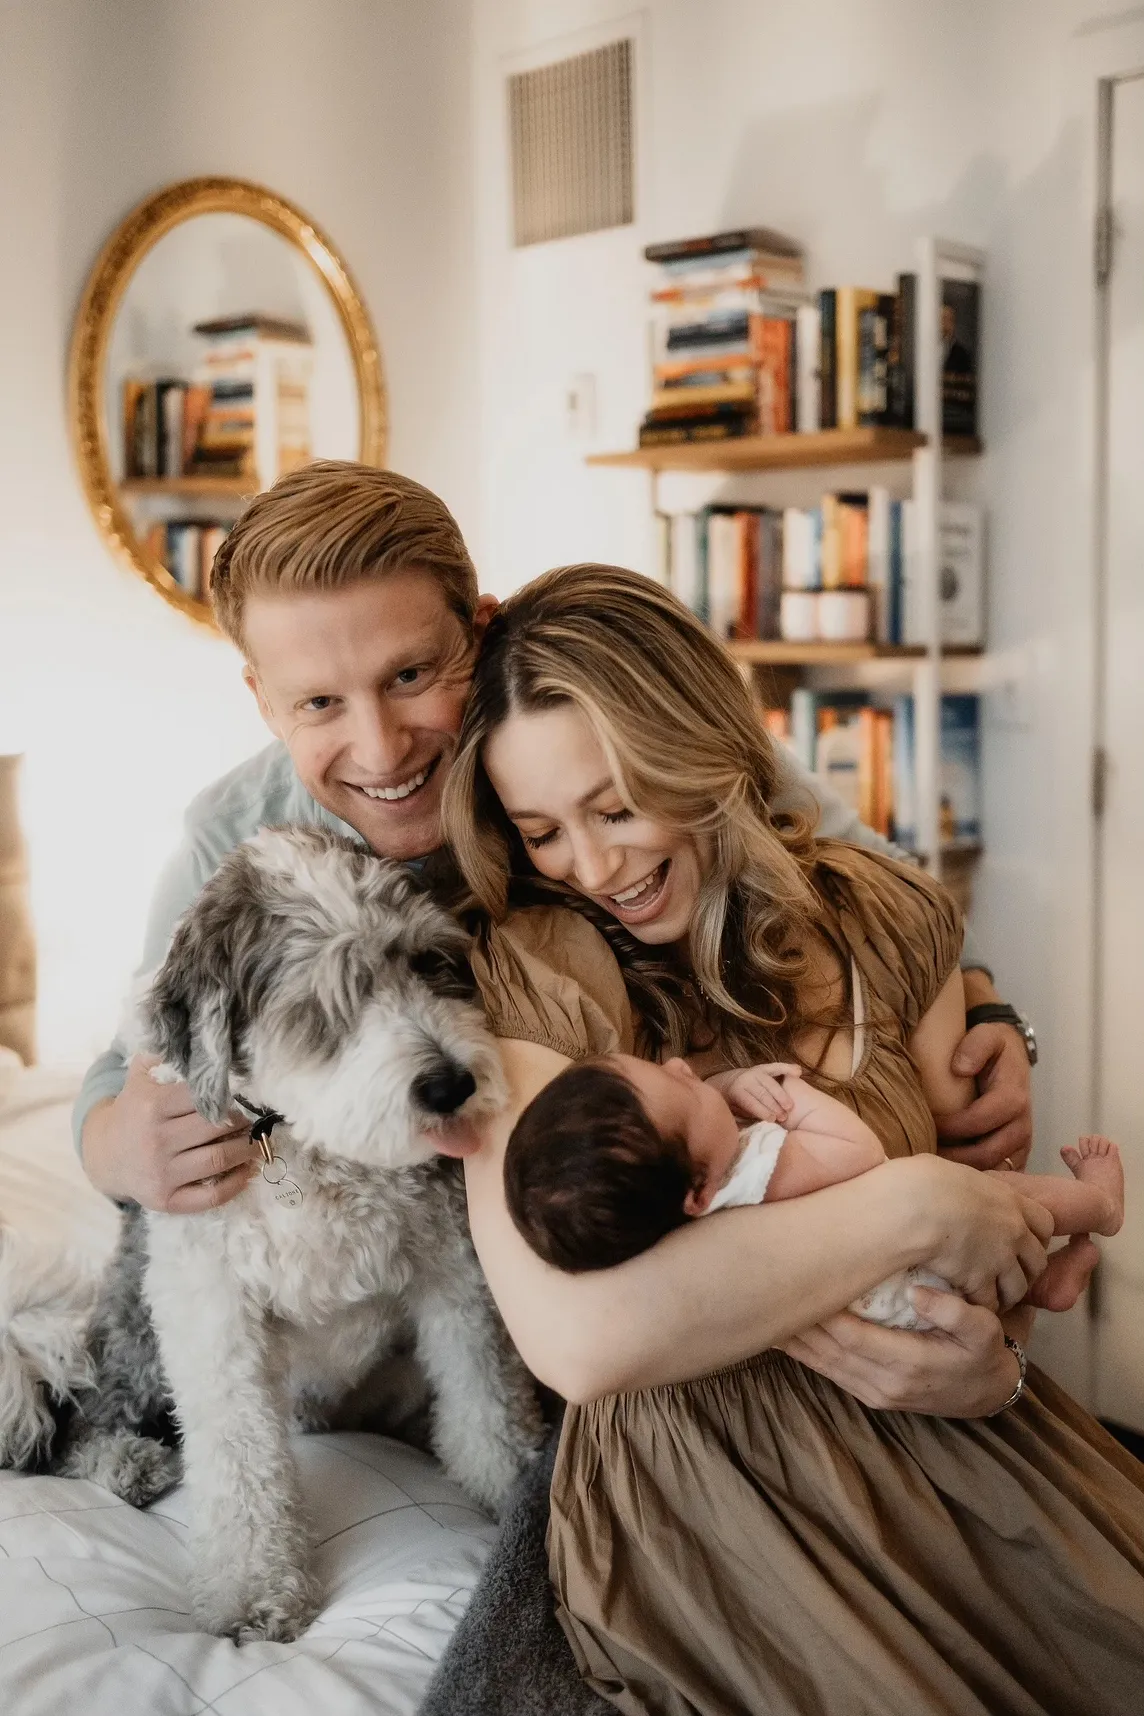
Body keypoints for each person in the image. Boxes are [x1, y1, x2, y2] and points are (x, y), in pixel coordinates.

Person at [73, 462, 1038, 1428]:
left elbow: (851, 876)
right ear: (263, 699)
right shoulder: (234, 839)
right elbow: (123, 1074)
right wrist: (118, 1146)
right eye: (318, 704)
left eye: (410, 676)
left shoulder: (583, 729)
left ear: (480, 630)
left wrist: (988, 1007)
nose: (380, 749)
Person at [435, 562, 1144, 1716]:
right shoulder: (535, 981)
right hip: (708, 1479)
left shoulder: (887, 917)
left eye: (616, 805)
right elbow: (583, 1339)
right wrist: (903, 1213)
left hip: (960, 1434)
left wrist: (996, 1358)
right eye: (542, 831)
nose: (594, 866)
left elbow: (987, 1230)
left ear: (701, 746)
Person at [502, 1052, 1121, 1319]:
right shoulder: (757, 1168)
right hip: (913, 1267)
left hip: (896, 1306)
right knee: (1003, 1193)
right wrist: (788, 1098)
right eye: (689, 1091)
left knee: (988, 1265)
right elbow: (858, 1153)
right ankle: (1100, 1203)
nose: (683, 1068)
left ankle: (1046, 1284)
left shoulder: (685, 1222)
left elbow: (694, 1134)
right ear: (697, 1191)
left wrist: (717, 1094)